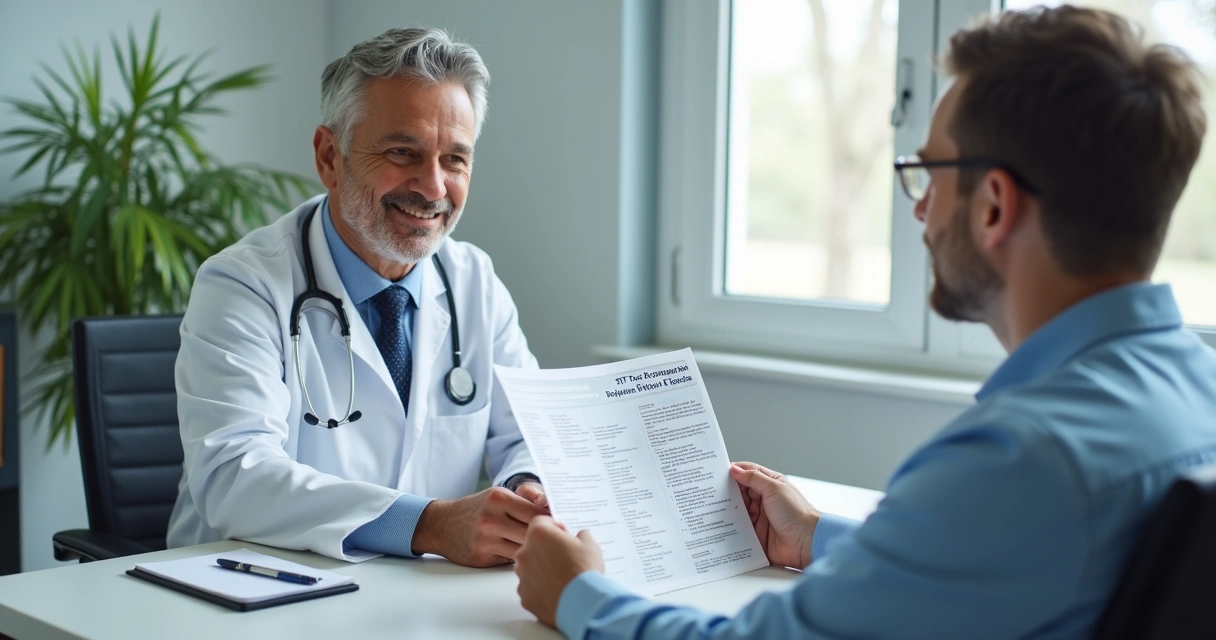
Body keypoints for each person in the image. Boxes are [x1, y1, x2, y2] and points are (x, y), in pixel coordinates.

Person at [514, 6, 1216, 638]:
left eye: (928, 175)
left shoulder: (1019, 457)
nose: (920, 211)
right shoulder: (1196, 391)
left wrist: (580, 595)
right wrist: (818, 536)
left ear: (994, 206)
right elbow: (1010, 559)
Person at [168, 28, 548, 567]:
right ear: (330, 156)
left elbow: (528, 434)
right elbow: (234, 475)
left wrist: (528, 487)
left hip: (409, 600)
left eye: (455, 160)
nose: (434, 187)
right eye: (403, 151)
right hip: (254, 590)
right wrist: (429, 525)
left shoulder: (474, 282)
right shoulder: (242, 285)